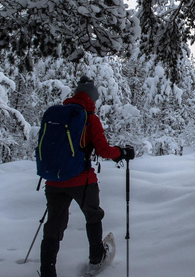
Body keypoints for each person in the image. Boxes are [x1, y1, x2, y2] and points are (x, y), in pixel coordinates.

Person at [40, 76, 135, 277]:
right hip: (82, 179)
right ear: (92, 99)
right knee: (93, 216)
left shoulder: (57, 114)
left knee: (54, 223)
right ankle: (96, 259)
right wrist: (122, 153)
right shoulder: (89, 119)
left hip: (53, 180)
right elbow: (102, 149)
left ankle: (48, 270)